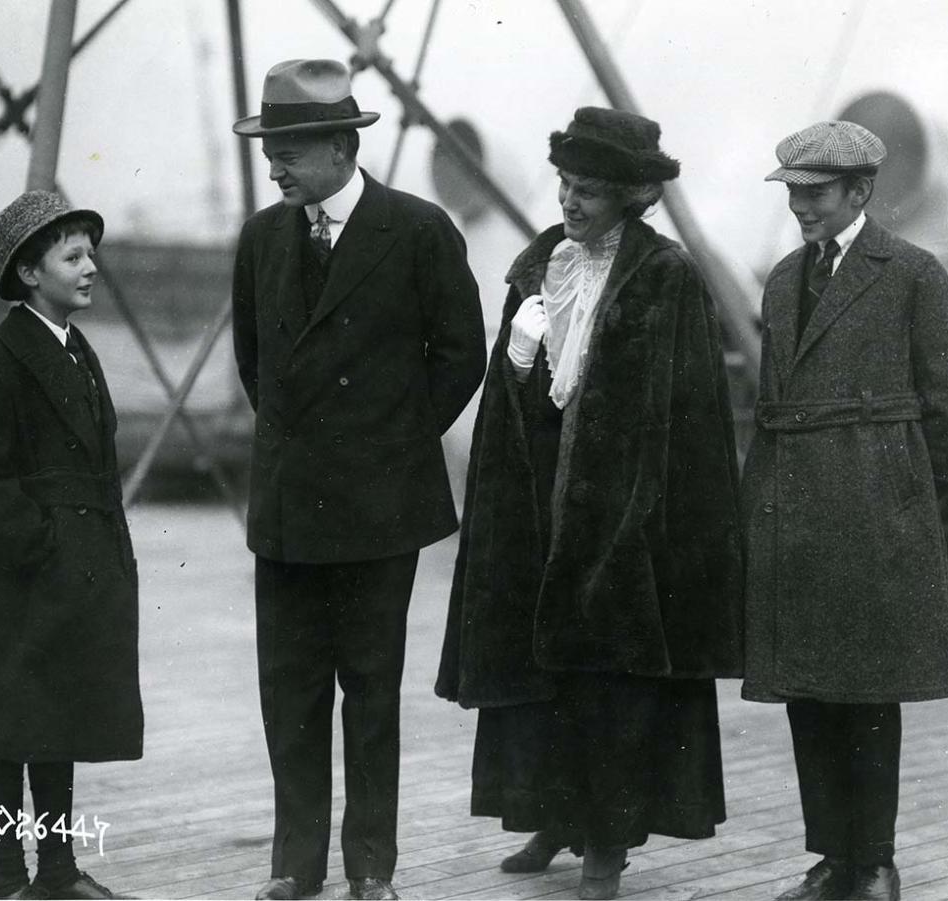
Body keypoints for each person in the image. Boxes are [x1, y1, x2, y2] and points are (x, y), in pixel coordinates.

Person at [435, 107, 744, 901]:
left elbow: (689, 415)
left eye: (591, 193)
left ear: (631, 197)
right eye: (566, 186)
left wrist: (650, 522)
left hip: (622, 512)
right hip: (537, 498)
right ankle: (550, 815)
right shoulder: (538, 267)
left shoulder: (665, 276)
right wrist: (518, 356)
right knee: (542, 674)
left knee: (609, 683)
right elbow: (514, 401)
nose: (571, 203)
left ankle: (605, 841)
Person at [230, 59, 486, 901]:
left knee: (370, 692)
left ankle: (371, 867)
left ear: (341, 146)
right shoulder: (265, 237)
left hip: (380, 511)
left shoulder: (416, 231)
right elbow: (255, 362)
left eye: (289, 149)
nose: (275, 166)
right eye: (271, 149)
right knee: (289, 692)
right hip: (288, 510)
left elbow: (460, 356)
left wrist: (389, 443)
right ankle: (293, 865)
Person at [742, 121, 948, 901]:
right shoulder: (780, 279)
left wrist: (899, 492)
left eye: (815, 194)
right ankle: (830, 857)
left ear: (860, 192)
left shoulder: (912, 274)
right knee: (808, 690)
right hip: (796, 519)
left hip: (876, 516)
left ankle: (874, 859)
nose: (800, 208)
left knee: (871, 693)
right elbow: (770, 400)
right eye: (793, 194)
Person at [0, 190, 143, 900]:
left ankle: (56, 869)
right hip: (18, 582)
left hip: (73, 577)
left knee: (58, 721)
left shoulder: (79, 354)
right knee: (4, 732)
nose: (91, 267)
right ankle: (4, 877)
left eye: (91, 253)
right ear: (29, 272)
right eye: (73, 255)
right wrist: (46, 546)